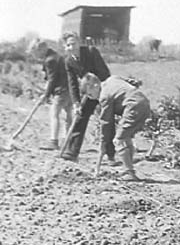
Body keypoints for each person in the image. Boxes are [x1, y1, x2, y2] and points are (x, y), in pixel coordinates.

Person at [80, 73, 151, 181]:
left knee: (119, 139)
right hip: (144, 102)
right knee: (126, 137)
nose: (91, 98)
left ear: (95, 86)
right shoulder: (113, 79)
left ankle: (129, 172)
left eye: (90, 94)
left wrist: (103, 143)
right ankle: (129, 168)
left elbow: (106, 122)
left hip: (133, 106)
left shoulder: (104, 96)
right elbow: (131, 82)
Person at [61, 32, 115, 163]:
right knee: (80, 117)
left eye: (73, 44)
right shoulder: (69, 61)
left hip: (102, 89)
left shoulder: (91, 52)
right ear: (65, 47)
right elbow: (72, 83)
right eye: (68, 45)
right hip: (89, 94)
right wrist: (76, 103)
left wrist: (95, 84)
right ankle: (72, 152)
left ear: (79, 43)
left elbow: (105, 72)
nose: (71, 47)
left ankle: (110, 155)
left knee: (107, 120)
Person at [28, 39, 72, 150]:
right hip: (70, 90)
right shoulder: (56, 56)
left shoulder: (50, 60)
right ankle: (68, 141)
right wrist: (45, 93)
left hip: (61, 91)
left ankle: (54, 142)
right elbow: (50, 78)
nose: (34, 55)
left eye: (35, 52)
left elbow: (52, 80)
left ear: (41, 49)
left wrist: (46, 95)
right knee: (68, 115)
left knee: (54, 114)